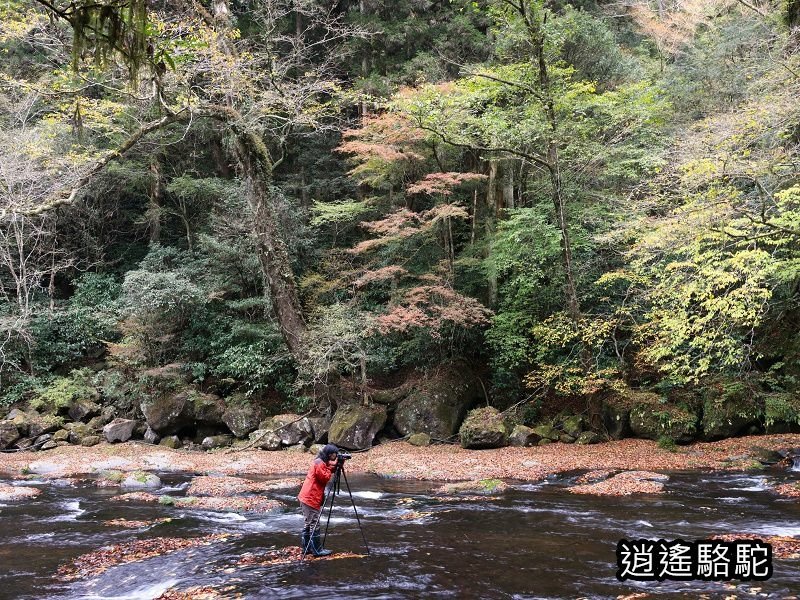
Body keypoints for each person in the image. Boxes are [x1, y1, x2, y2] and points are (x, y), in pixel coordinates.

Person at [298, 443, 339, 556]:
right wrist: (333, 467)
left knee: (308, 523)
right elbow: (324, 477)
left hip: (307, 496)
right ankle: (317, 550)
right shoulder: (319, 463)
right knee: (314, 523)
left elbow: (326, 470)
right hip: (310, 497)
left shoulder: (320, 461)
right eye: (335, 454)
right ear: (330, 454)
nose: (335, 456)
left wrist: (334, 466)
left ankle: (307, 548)